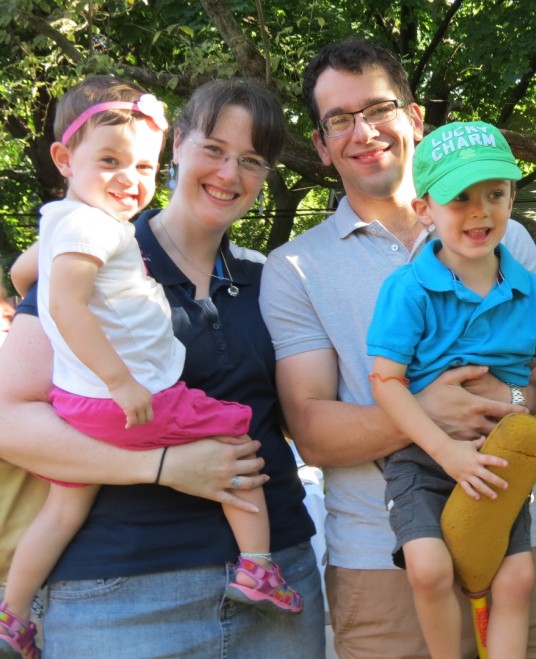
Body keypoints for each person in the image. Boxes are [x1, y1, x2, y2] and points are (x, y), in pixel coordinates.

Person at [260, 37, 536, 659]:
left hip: (510, 532)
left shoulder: (506, 240)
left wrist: (505, 399)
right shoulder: (295, 268)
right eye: (339, 120)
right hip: (382, 564)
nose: (364, 131)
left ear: (415, 117)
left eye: (379, 108)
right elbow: (312, 433)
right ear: (320, 144)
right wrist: (426, 412)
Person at [0, 77, 325, 658]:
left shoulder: (268, 278)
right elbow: (8, 422)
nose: (229, 173)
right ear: (178, 145)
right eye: (214, 149)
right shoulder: (95, 250)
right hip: (123, 596)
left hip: (280, 586)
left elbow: (309, 417)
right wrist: (160, 467)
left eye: (251, 160)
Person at [367, 120, 536, 658]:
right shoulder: (409, 289)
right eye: (460, 198)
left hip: (498, 456)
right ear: (425, 210)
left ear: (511, 198)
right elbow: (385, 382)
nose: (480, 211)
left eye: (495, 194)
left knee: (517, 579)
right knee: (429, 568)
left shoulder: (531, 291)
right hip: (422, 456)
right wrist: (445, 451)